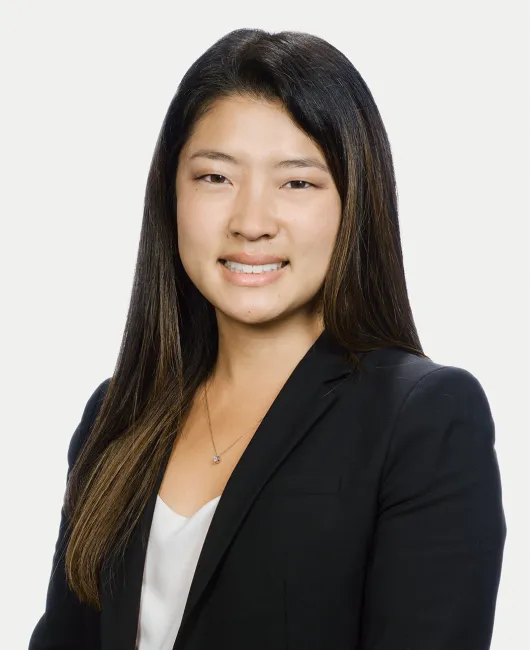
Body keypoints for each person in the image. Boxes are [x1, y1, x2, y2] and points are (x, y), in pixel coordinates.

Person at [28, 27, 506, 650]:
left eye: (297, 182)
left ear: (354, 202)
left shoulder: (421, 420)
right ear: (171, 193)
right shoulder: (118, 415)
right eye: (215, 177)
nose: (251, 222)